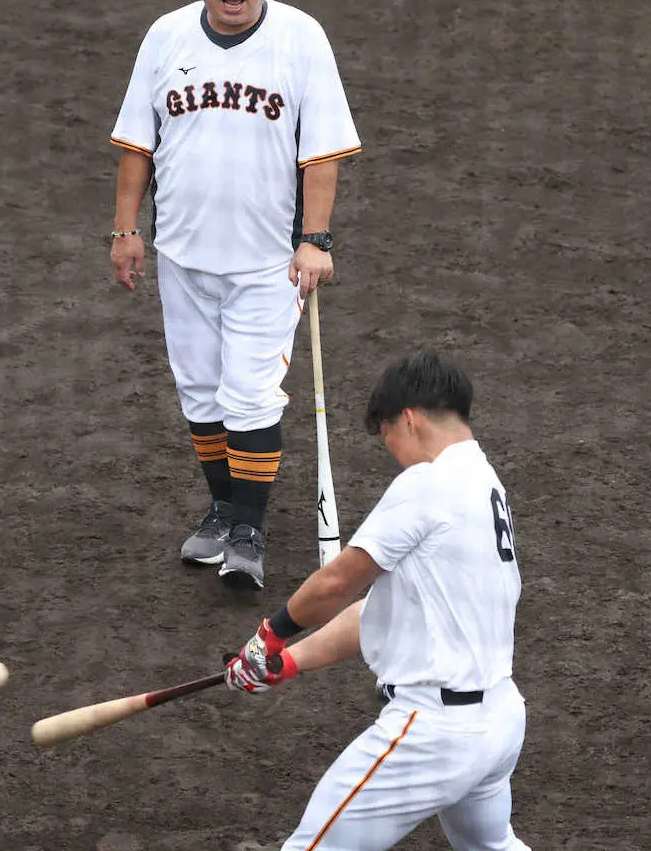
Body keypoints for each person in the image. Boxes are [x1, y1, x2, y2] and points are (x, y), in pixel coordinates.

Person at [109, 0, 361, 590]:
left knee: (248, 397)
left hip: (265, 264)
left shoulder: (299, 38)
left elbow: (322, 151)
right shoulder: (165, 37)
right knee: (199, 393)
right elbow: (138, 141)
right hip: (181, 256)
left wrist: (315, 240)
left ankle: (248, 533)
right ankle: (221, 511)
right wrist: (126, 229)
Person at [225, 348, 532, 851]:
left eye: (386, 436)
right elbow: (378, 610)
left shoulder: (428, 482)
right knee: (492, 845)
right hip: (499, 722)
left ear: (407, 419)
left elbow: (336, 583)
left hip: (435, 733)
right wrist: (289, 661)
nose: (391, 451)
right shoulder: (484, 483)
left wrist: (269, 636)